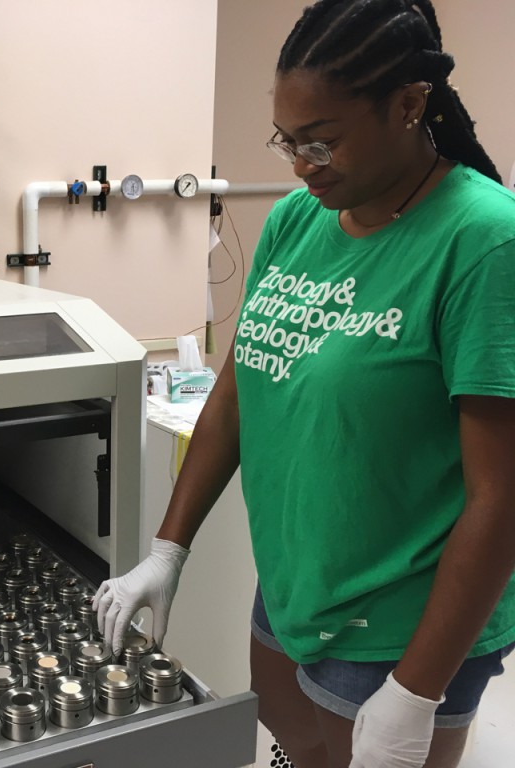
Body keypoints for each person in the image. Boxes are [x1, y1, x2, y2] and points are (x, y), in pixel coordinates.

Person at [94, 2, 515, 767]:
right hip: (296, 585)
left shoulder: (485, 242)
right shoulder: (297, 220)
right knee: (299, 740)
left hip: (404, 620)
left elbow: (502, 495)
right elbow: (239, 386)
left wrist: (416, 693)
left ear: (410, 105)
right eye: (288, 142)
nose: (300, 164)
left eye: (322, 141)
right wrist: (168, 548)